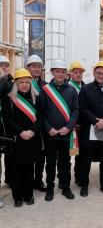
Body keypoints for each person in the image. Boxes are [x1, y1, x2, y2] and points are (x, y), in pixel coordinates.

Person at [1, 68, 42, 207]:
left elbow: (40, 118)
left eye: (27, 82)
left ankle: (28, 195)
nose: (25, 85)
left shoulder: (36, 98)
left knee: (29, 169)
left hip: (32, 138)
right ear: (16, 84)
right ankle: (17, 197)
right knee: (15, 169)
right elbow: (7, 119)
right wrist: (21, 132)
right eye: (21, 82)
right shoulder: (9, 98)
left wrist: (32, 131)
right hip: (16, 139)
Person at [39, 60, 78, 201]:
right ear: (52, 72)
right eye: (57, 71)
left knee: (65, 162)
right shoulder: (45, 90)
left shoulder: (72, 90)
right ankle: (50, 187)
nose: (60, 74)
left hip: (65, 133)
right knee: (50, 162)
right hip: (50, 134)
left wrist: (68, 127)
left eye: (62, 71)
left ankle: (65, 186)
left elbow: (75, 110)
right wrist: (49, 128)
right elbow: (41, 113)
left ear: (66, 73)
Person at [79, 61, 103, 197]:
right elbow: (82, 108)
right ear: (94, 73)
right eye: (99, 73)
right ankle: (84, 185)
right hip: (89, 129)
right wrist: (96, 120)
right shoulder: (85, 89)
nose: (101, 75)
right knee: (86, 160)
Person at [26, 54, 47, 192]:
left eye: (39, 67)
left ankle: (38, 181)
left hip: (42, 127)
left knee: (41, 156)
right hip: (26, 127)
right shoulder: (21, 83)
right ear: (27, 67)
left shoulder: (45, 86)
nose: (37, 69)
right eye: (34, 66)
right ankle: (26, 182)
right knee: (26, 156)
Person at [67, 61, 85, 187]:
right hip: (70, 126)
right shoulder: (67, 87)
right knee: (67, 154)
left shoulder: (85, 88)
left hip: (82, 126)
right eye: (75, 72)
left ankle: (78, 176)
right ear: (70, 73)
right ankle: (64, 178)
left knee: (81, 154)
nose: (78, 75)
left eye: (80, 73)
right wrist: (72, 124)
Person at [0, 55, 13, 208]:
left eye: (6, 65)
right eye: (1, 65)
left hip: (8, 128)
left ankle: (10, 180)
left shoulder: (11, 82)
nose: (4, 67)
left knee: (10, 157)